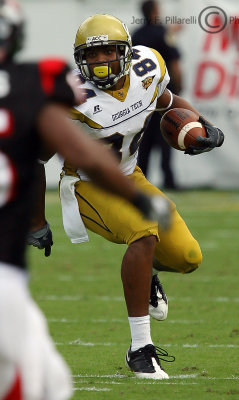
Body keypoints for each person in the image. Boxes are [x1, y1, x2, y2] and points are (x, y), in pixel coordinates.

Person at [29, 13, 224, 380]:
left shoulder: (147, 69)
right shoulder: (69, 99)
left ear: (127, 53)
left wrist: (202, 125)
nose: (101, 62)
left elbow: (169, 101)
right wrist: (37, 220)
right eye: (93, 55)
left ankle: (145, 271)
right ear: (79, 60)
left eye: (108, 53)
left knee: (188, 257)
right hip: (85, 184)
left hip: (129, 176)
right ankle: (140, 349)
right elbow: (35, 159)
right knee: (145, 230)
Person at [0, 2, 171, 398]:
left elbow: (73, 153)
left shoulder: (45, 87)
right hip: (7, 269)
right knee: (45, 382)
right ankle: (141, 345)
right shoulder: (37, 83)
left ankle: (146, 281)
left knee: (44, 380)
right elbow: (78, 154)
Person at [132, 0, 182, 189]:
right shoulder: (163, 32)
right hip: (161, 95)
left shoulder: (136, 34)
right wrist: (178, 88)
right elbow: (174, 62)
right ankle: (169, 181)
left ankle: (141, 182)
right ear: (154, 11)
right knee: (166, 137)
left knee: (143, 142)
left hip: (140, 97)